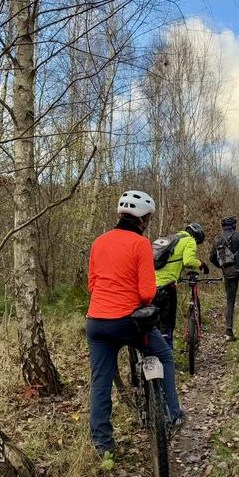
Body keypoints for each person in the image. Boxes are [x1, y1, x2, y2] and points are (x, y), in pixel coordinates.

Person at [86, 190, 185, 457]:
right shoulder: (141, 244)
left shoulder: (98, 242)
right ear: (143, 219)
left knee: (100, 384)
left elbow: (92, 285)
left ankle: (104, 449)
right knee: (164, 354)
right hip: (128, 322)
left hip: (96, 323)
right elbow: (145, 293)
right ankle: (174, 413)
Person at [154, 223, 210, 344]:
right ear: (196, 237)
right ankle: (167, 360)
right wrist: (201, 263)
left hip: (150, 287)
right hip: (167, 287)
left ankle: (153, 357)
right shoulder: (189, 240)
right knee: (167, 326)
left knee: (154, 327)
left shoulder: (169, 239)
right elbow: (189, 261)